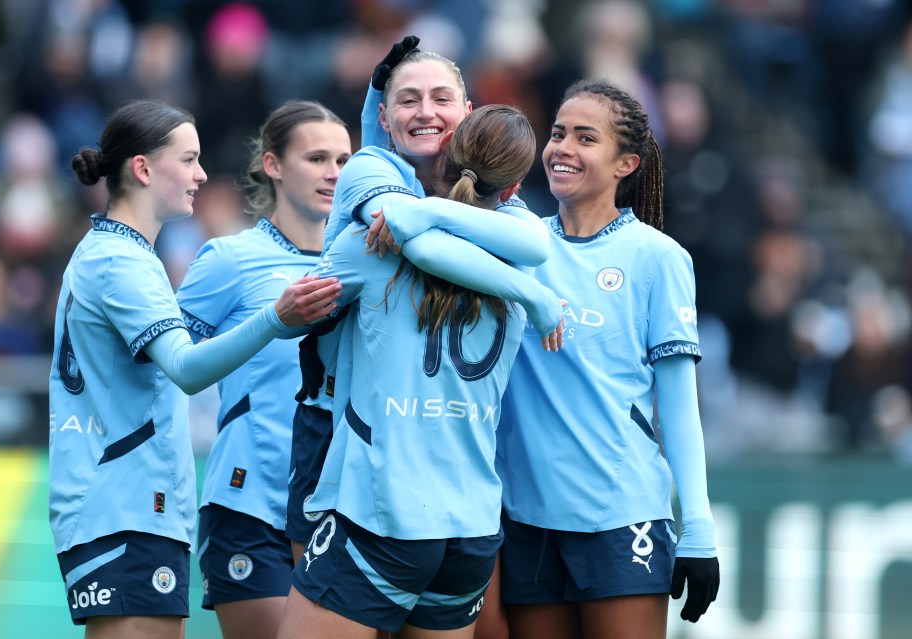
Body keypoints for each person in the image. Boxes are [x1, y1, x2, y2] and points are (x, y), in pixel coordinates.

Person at [47, 99, 342, 639]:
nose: (201, 175)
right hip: (124, 502)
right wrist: (276, 318)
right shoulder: (121, 262)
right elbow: (185, 366)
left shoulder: (123, 254)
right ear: (143, 169)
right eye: (188, 159)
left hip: (139, 504)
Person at [277, 102, 542, 639]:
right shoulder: (526, 258)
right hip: (469, 529)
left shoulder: (372, 245)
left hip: (381, 513)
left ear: (445, 158)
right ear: (511, 191)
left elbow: (294, 320)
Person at [495, 80, 720, 639]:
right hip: (524, 520)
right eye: (557, 133)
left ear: (626, 163)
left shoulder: (657, 258)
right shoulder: (513, 244)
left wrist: (698, 527)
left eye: (585, 138)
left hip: (622, 517)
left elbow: (679, 408)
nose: (562, 148)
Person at [174, 101, 351, 639]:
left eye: (345, 160)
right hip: (251, 503)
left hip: (343, 513)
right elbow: (171, 367)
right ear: (273, 164)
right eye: (317, 157)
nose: (334, 174)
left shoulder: (363, 261)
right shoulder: (229, 259)